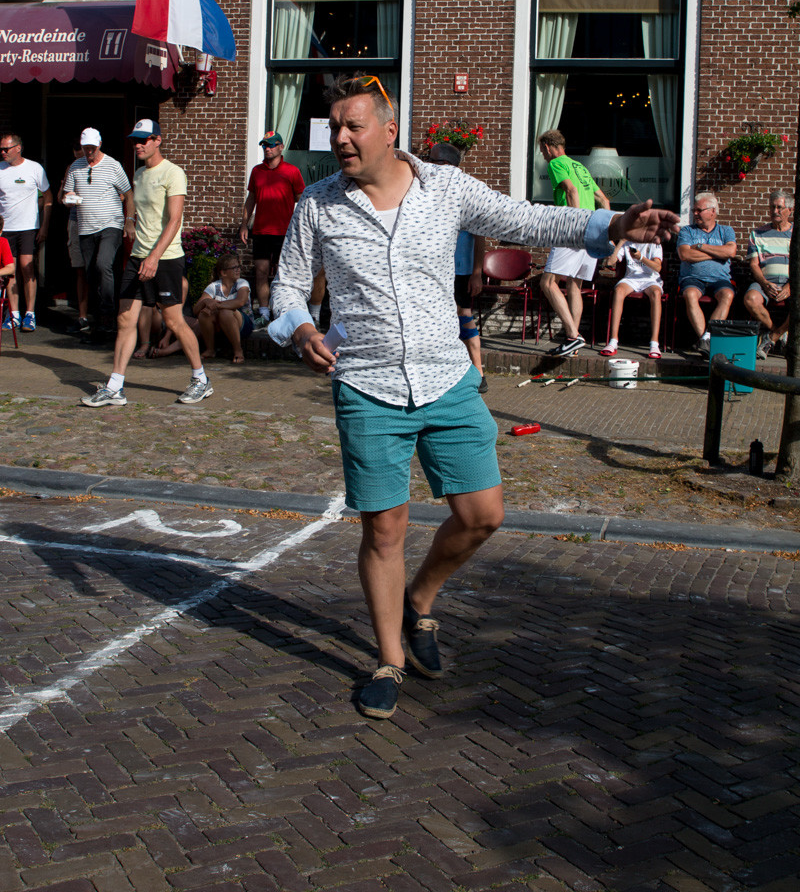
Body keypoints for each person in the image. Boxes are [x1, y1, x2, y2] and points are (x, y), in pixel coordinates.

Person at [269, 73, 679, 719]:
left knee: (483, 514)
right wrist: (299, 327)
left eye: (354, 126)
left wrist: (615, 222)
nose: (341, 138)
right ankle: (388, 660)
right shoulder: (318, 203)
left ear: (389, 130)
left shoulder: (445, 187)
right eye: (335, 127)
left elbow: (530, 217)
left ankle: (420, 599)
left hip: (447, 378)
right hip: (367, 384)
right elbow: (288, 285)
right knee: (384, 529)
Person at [80, 119, 213, 408]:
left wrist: (154, 257)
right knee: (125, 319)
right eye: (134, 141)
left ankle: (201, 379)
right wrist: (129, 221)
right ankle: (115, 387)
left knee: (173, 320)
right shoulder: (139, 174)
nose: (138, 145)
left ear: (158, 140)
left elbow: (174, 220)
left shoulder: (173, 173)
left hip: (165, 258)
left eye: (144, 140)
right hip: (138, 256)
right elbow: (134, 205)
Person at [538, 129, 610, 356]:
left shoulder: (556, 163)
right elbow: (604, 200)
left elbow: (571, 190)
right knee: (574, 285)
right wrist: (603, 230)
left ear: (548, 147)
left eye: (542, 151)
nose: (543, 156)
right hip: (592, 230)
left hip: (572, 229)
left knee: (548, 283)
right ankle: (573, 344)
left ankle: (572, 334)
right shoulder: (580, 167)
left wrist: (575, 222)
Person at [62, 127, 134, 337]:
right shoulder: (76, 166)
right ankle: (98, 321)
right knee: (91, 272)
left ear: (100, 144)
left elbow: (129, 194)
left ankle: (108, 316)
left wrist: (129, 221)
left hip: (110, 224)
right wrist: (69, 199)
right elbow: (67, 195)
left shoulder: (113, 165)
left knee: (103, 264)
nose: (89, 152)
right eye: (86, 148)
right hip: (85, 227)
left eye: (92, 148)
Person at [429, 142, 487, 392]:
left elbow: (480, 237)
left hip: (460, 270)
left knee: (463, 314)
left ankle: (479, 371)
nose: (428, 165)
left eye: (432, 161)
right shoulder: (430, 193)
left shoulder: (465, 193)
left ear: (444, 164)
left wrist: (477, 273)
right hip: (436, 269)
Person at [239, 130, 305, 328]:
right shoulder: (257, 171)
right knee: (261, 272)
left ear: (281, 147)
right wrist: (244, 224)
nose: (267, 149)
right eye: (264, 145)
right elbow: (251, 199)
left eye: (271, 145)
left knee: (283, 275)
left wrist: (300, 224)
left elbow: (301, 199)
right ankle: (264, 312)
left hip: (284, 232)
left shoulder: (292, 171)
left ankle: (282, 311)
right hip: (261, 231)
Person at [0, 132, 52, 332]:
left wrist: (44, 226)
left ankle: (30, 313)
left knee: (27, 267)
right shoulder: (0, 169)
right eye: (1, 149)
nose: (3, 152)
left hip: (28, 226)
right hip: (7, 228)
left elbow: (48, 196)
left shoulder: (34, 168)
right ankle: (13, 314)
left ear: (18, 148)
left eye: (6, 149)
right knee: (10, 270)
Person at [677, 191, 737, 355]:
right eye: (694, 210)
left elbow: (731, 252)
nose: (695, 214)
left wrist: (701, 247)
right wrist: (718, 253)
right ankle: (705, 340)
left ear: (713, 211)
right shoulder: (687, 231)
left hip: (720, 279)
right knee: (690, 294)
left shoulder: (726, 231)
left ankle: (707, 337)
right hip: (693, 278)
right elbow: (685, 255)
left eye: (699, 210)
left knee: (727, 295)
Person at [743, 189, 793, 359]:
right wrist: (765, 283)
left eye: (779, 207)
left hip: (791, 282)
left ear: (790, 210)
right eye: (772, 207)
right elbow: (754, 264)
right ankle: (778, 333)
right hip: (765, 281)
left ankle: (771, 338)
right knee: (750, 299)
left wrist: (790, 286)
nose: (775, 211)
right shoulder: (757, 234)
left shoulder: (796, 234)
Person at [600, 240, 664, 358]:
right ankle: (613, 341)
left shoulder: (654, 242)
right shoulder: (627, 242)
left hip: (650, 279)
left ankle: (654, 343)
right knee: (618, 291)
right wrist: (621, 241)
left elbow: (658, 267)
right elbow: (610, 262)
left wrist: (641, 257)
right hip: (631, 278)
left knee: (656, 293)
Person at [194, 253, 253, 363]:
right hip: (221, 325)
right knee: (204, 314)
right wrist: (206, 302)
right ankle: (210, 350)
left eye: (238, 266)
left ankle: (238, 350)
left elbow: (240, 302)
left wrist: (216, 305)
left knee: (225, 312)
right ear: (223, 273)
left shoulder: (242, 283)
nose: (238, 270)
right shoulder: (214, 286)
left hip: (243, 324)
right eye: (234, 267)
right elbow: (196, 309)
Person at [57, 140, 90, 335]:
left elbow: (121, 195)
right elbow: (62, 198)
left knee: (99, 268)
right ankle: (82, 316)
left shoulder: (104, 166)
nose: (81, 156)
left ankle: (104, 316)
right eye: (77, 153)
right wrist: (69, 197)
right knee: (80, 269)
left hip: (96, 223)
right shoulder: (71, 168)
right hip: (76, 220)